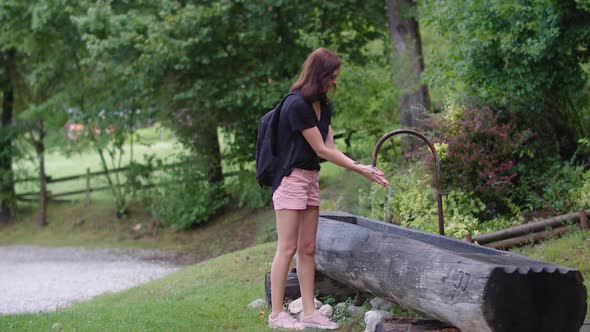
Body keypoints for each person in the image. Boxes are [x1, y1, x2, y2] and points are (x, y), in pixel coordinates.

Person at [267, 47, 389, 330]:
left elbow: (330, 148)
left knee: (308, 249)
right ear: (319, 74)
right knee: (287, 249)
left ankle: (309, 312)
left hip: (310, 178)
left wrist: (359, 166)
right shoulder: (295, 105)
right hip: (290, 180)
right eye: (332, 76)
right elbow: (320, 148)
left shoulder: (323, 104)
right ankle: (276, 315)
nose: (335, 81)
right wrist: (361, 169)